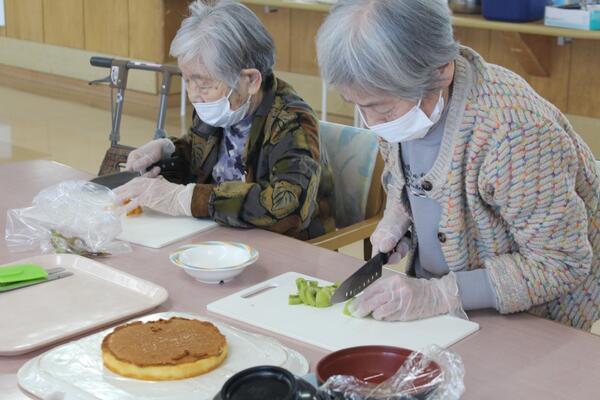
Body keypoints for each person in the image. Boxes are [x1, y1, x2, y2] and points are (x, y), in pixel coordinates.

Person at [316, 0, 599, 330]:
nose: (372, 123)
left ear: (441, 71)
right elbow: (408, 177)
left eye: (384, 110)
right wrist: (401, 217)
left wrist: (441, 295)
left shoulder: (514, 132)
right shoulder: (400, 102)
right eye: (359, 106)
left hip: (534, 321)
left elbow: (561, 263)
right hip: (447, 311)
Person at [116, 0, 335, 240]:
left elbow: (289, 208)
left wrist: (188, 199)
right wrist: (165, 155)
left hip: (284, 247)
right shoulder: (220, 105)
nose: (193, 94)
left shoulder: (291, 121)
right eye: (187, 80)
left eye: (204, 83)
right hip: (219, 235)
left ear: (251, 80)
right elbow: (200, 160)